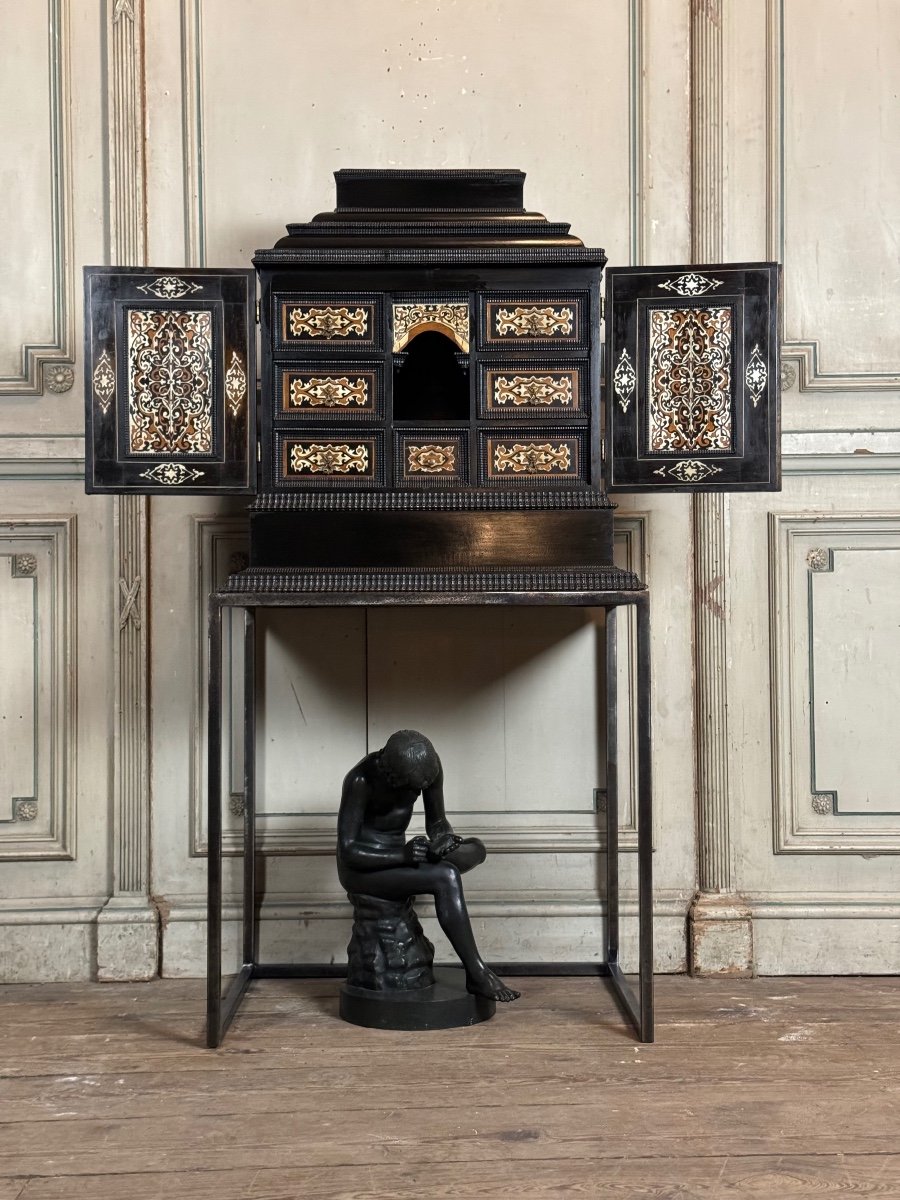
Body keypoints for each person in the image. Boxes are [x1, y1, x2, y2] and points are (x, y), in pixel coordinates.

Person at [337, 729, 520, 1003]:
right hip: (364, 870)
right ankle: (476, 972)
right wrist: (403, 856)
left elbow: (437, 822)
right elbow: (348, 852)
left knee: (476, 848)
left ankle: (476, 972)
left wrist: (442, 841)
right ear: (390, 773)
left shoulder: (428, 769)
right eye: (409, 787)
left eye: (419, 787)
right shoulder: (360, 780)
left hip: (402, 856)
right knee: (445, 876)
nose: (415, 793)